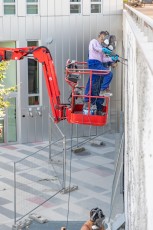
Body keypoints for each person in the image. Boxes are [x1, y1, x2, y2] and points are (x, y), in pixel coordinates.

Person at [84, 31, 118, 115]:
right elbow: (95, 48)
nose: (104, 39)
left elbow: (103, 59)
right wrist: (103, 49)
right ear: (99, 35)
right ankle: (100, 92)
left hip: (98, 64)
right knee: (109, 74)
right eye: (103, 36)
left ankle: (97, 106)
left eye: (105, 37)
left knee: (95, 86)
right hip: (94, 64)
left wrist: (112, 59)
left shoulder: (102, 47)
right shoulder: (94, 42)